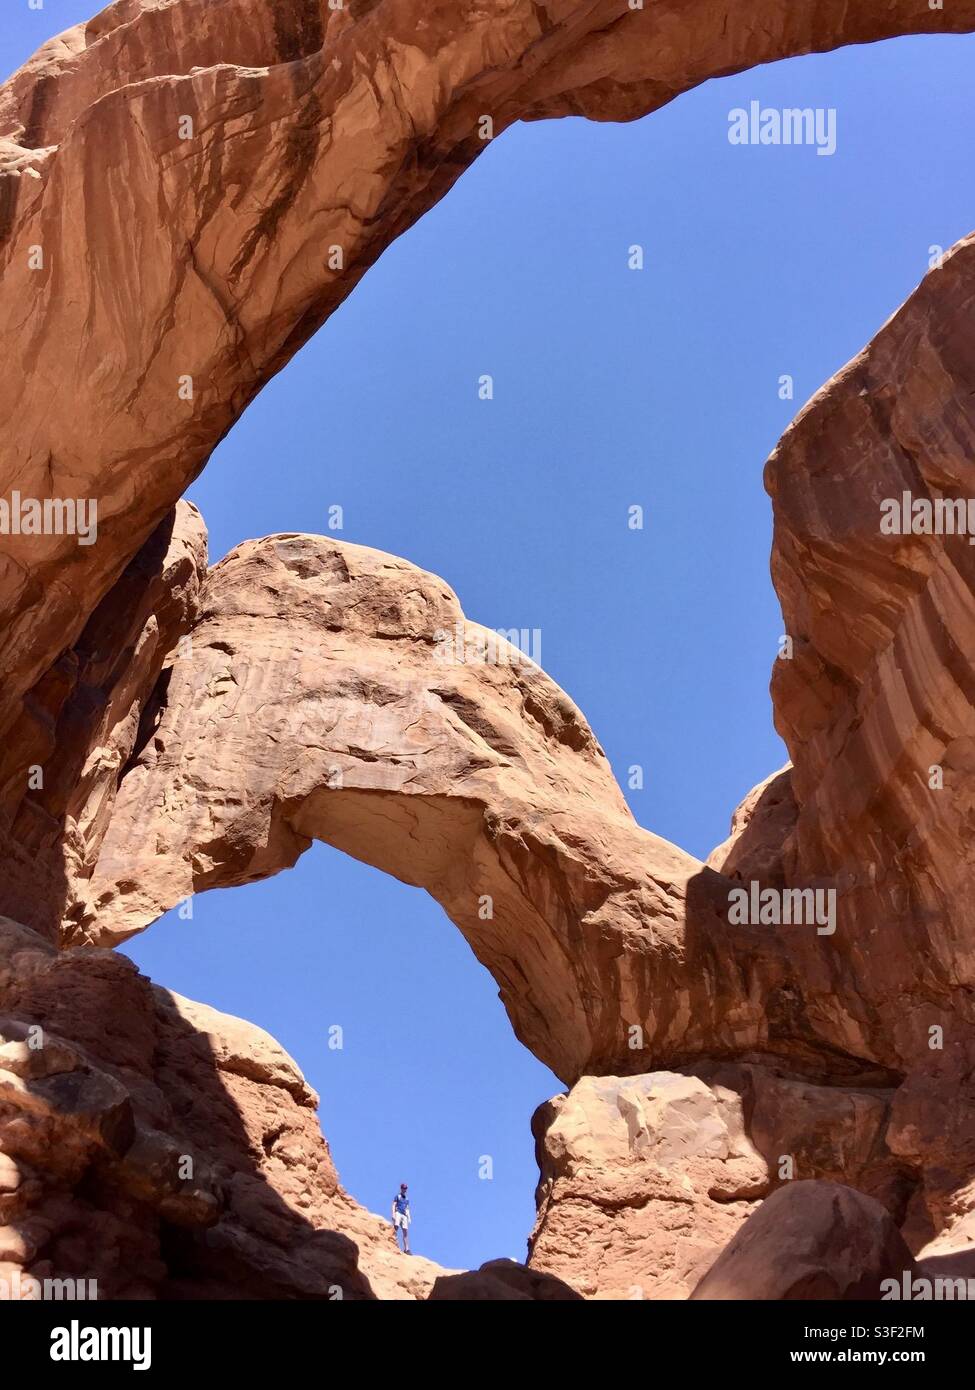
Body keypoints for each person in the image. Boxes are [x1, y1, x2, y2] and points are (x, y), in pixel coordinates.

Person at [391, 1182, 411, 1253]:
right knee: (396, 1226)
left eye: (405, 1188)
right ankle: (392, 1240)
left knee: (405, 1231)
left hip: (404, 1215)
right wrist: (393, 1214)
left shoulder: (407, 1199)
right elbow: (394, 1205)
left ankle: (407, 1249)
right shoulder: (398, 1196)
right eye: (403, 1188)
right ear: (401, 1188)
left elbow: (407, 1208)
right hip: (398, 1212)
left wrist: (409, 1217)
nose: (404, 1189)